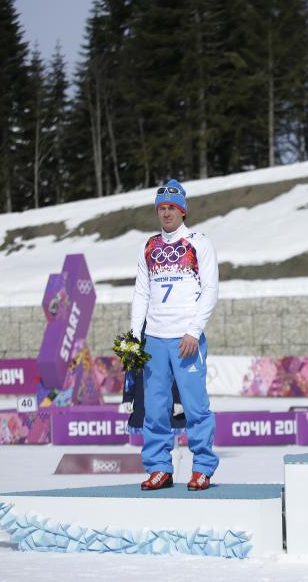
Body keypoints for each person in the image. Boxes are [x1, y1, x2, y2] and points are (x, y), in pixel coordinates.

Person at [130, 180, 220, 490]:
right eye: (161, 208)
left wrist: (194, 331)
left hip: (186, 339)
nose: (166, 213)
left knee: (195, 407)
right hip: (154, 337)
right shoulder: (150, 246)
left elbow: (210, 289)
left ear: (183, 210)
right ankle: (159, 468)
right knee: (155, 410)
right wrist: (133, 336)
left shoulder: (199, 242)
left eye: (172, 208)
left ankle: (203, 467)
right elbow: (141, 293)